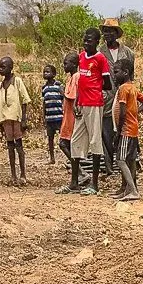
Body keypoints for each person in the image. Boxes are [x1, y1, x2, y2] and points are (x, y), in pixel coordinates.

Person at [68, 28, 111, 197]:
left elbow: (107, 83)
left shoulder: (100, 59)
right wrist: (77, 100)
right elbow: (81, 81)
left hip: (94, 103)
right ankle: (74, 182)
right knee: (75, 141)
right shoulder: (81, 57)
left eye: (90, 41)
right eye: (85, 40)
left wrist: (95, 88)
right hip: (82, 103)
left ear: (97, 42)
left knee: (95, 141)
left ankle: (95, 184)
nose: (86, 43)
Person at [99, 20, 134, 177]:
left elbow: (131, 76)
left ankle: (124, 164)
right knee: (106, 132)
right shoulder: (99, 53)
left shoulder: (127, 52)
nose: (107, 34)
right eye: (105, 31)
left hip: (124, 96)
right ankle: (109, 166)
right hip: (106, 98)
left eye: (110, 31)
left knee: (123, 129)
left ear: (116, 33)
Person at [111, 57, 143, 202]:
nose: (114, 75)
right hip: (133, 129)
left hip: (126, 130)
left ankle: (133, 190)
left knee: (120, 160)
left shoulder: (123, 89)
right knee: (130, 160)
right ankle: (129, 190)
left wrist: (118, 132)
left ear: (125, 72)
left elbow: (123, 113)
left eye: (116, 72)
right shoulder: (132, 87)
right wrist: (136, 112)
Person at [0, 56, 31, 186]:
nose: (0, 70)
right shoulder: (0, 85)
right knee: (10, 146)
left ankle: (23, 174)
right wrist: (0, 122)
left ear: (11, 68)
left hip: (16, 119)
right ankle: (13, 175)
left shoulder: (17, 81)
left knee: (19, 146)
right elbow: (0, 104)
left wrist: (24, 119)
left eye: (3, 67)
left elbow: (25, 100)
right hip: (6, 120)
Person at [57, 52, 90, 192]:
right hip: (68, 115)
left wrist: (61, 91)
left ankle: (80, 174)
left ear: (75, 64)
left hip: (72, 117)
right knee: (68, 144)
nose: (64, 66)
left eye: (66, 63)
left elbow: (73, 96)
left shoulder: (77, 77)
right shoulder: (71, 77)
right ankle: (79, 174)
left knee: (66, 144)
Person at [41, 64, 64, 164]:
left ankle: (68, 156)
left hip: (59, 116)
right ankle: (52, 158)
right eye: (44, 72)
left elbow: (63, 99)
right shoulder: (44, 88)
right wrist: (44, 116)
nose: (45, 74)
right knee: (50, 138)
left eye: (48, 72)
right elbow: (44, 103)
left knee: (63, 137)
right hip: (49, 118)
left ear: (54, 74)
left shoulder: (58, 85)